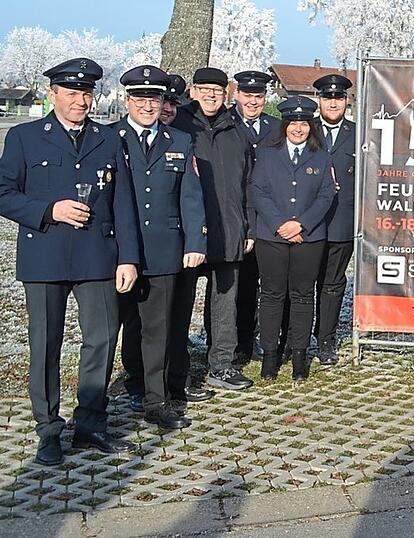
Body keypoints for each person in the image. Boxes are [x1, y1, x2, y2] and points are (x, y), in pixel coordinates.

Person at [0, 58, 140, 464]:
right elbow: (4, 192)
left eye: (86, 93)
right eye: (72, 93)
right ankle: (48, 429)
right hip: (45, 255)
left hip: (98, 255)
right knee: (46, 344)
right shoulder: (26, 137)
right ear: (53, 95)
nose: (81, 100)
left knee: (101, 338)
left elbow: (124, 202)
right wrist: (49, 210)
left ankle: (91, 423)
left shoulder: (108, 138)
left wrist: (127, 258)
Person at [113, 65, 206, 430]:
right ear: (127, 100)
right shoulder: (109, 138)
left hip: (164, 251)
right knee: (110, 330)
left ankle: (156, 401)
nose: (148, 106)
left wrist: (195, 241)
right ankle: (99, 404)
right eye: (141, 98)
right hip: (117, 251)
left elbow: (191, 196)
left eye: (155, 99)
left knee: (159, 330)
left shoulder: (179, 141)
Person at [170, 67, 255, 392]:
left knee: (224, 305)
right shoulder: (179, 127)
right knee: (181, 305)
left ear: (226, 93)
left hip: (229, 229)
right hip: (189, 234)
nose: (210, 95)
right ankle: (178, 372)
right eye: (203, 89)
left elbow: (248, 182)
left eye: (216, 90)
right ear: (193, 91)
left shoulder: (236, 130)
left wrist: (250, 226)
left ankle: (222, 365)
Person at [251, 96, 336, 381]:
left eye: (304, 124)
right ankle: (270, 356)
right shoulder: (266, 152)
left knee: (302, 296)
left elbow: (327, 195)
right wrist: (280, 224)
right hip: (271, 237)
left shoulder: (322, 156)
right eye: (293, 123)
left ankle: (300, 357)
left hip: (308, 238)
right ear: (284, 125)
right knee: (272, 296)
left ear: (311, 127)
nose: (298, 129)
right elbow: (258, 190)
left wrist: (301, 224)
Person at [230, 70, 279, 365]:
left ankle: (263, 339)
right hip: (237, 214)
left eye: (258, 96)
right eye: (247, 95)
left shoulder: (275, 127)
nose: (252, 101)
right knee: (237, 287)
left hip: (268, 218)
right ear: (237, 95)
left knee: (267, 284)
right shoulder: (226, 124)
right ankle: (236, 345)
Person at [312, 73, 356, 366]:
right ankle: (295, 338)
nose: (332, 102)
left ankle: (326, 340)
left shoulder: (359, 133)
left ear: (346, 101)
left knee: (332, 283)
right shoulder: (303, 128)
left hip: (341, 219)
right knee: (300, 284)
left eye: (338, 98)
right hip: (307, 221)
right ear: (319, 100)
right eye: (327, 97)